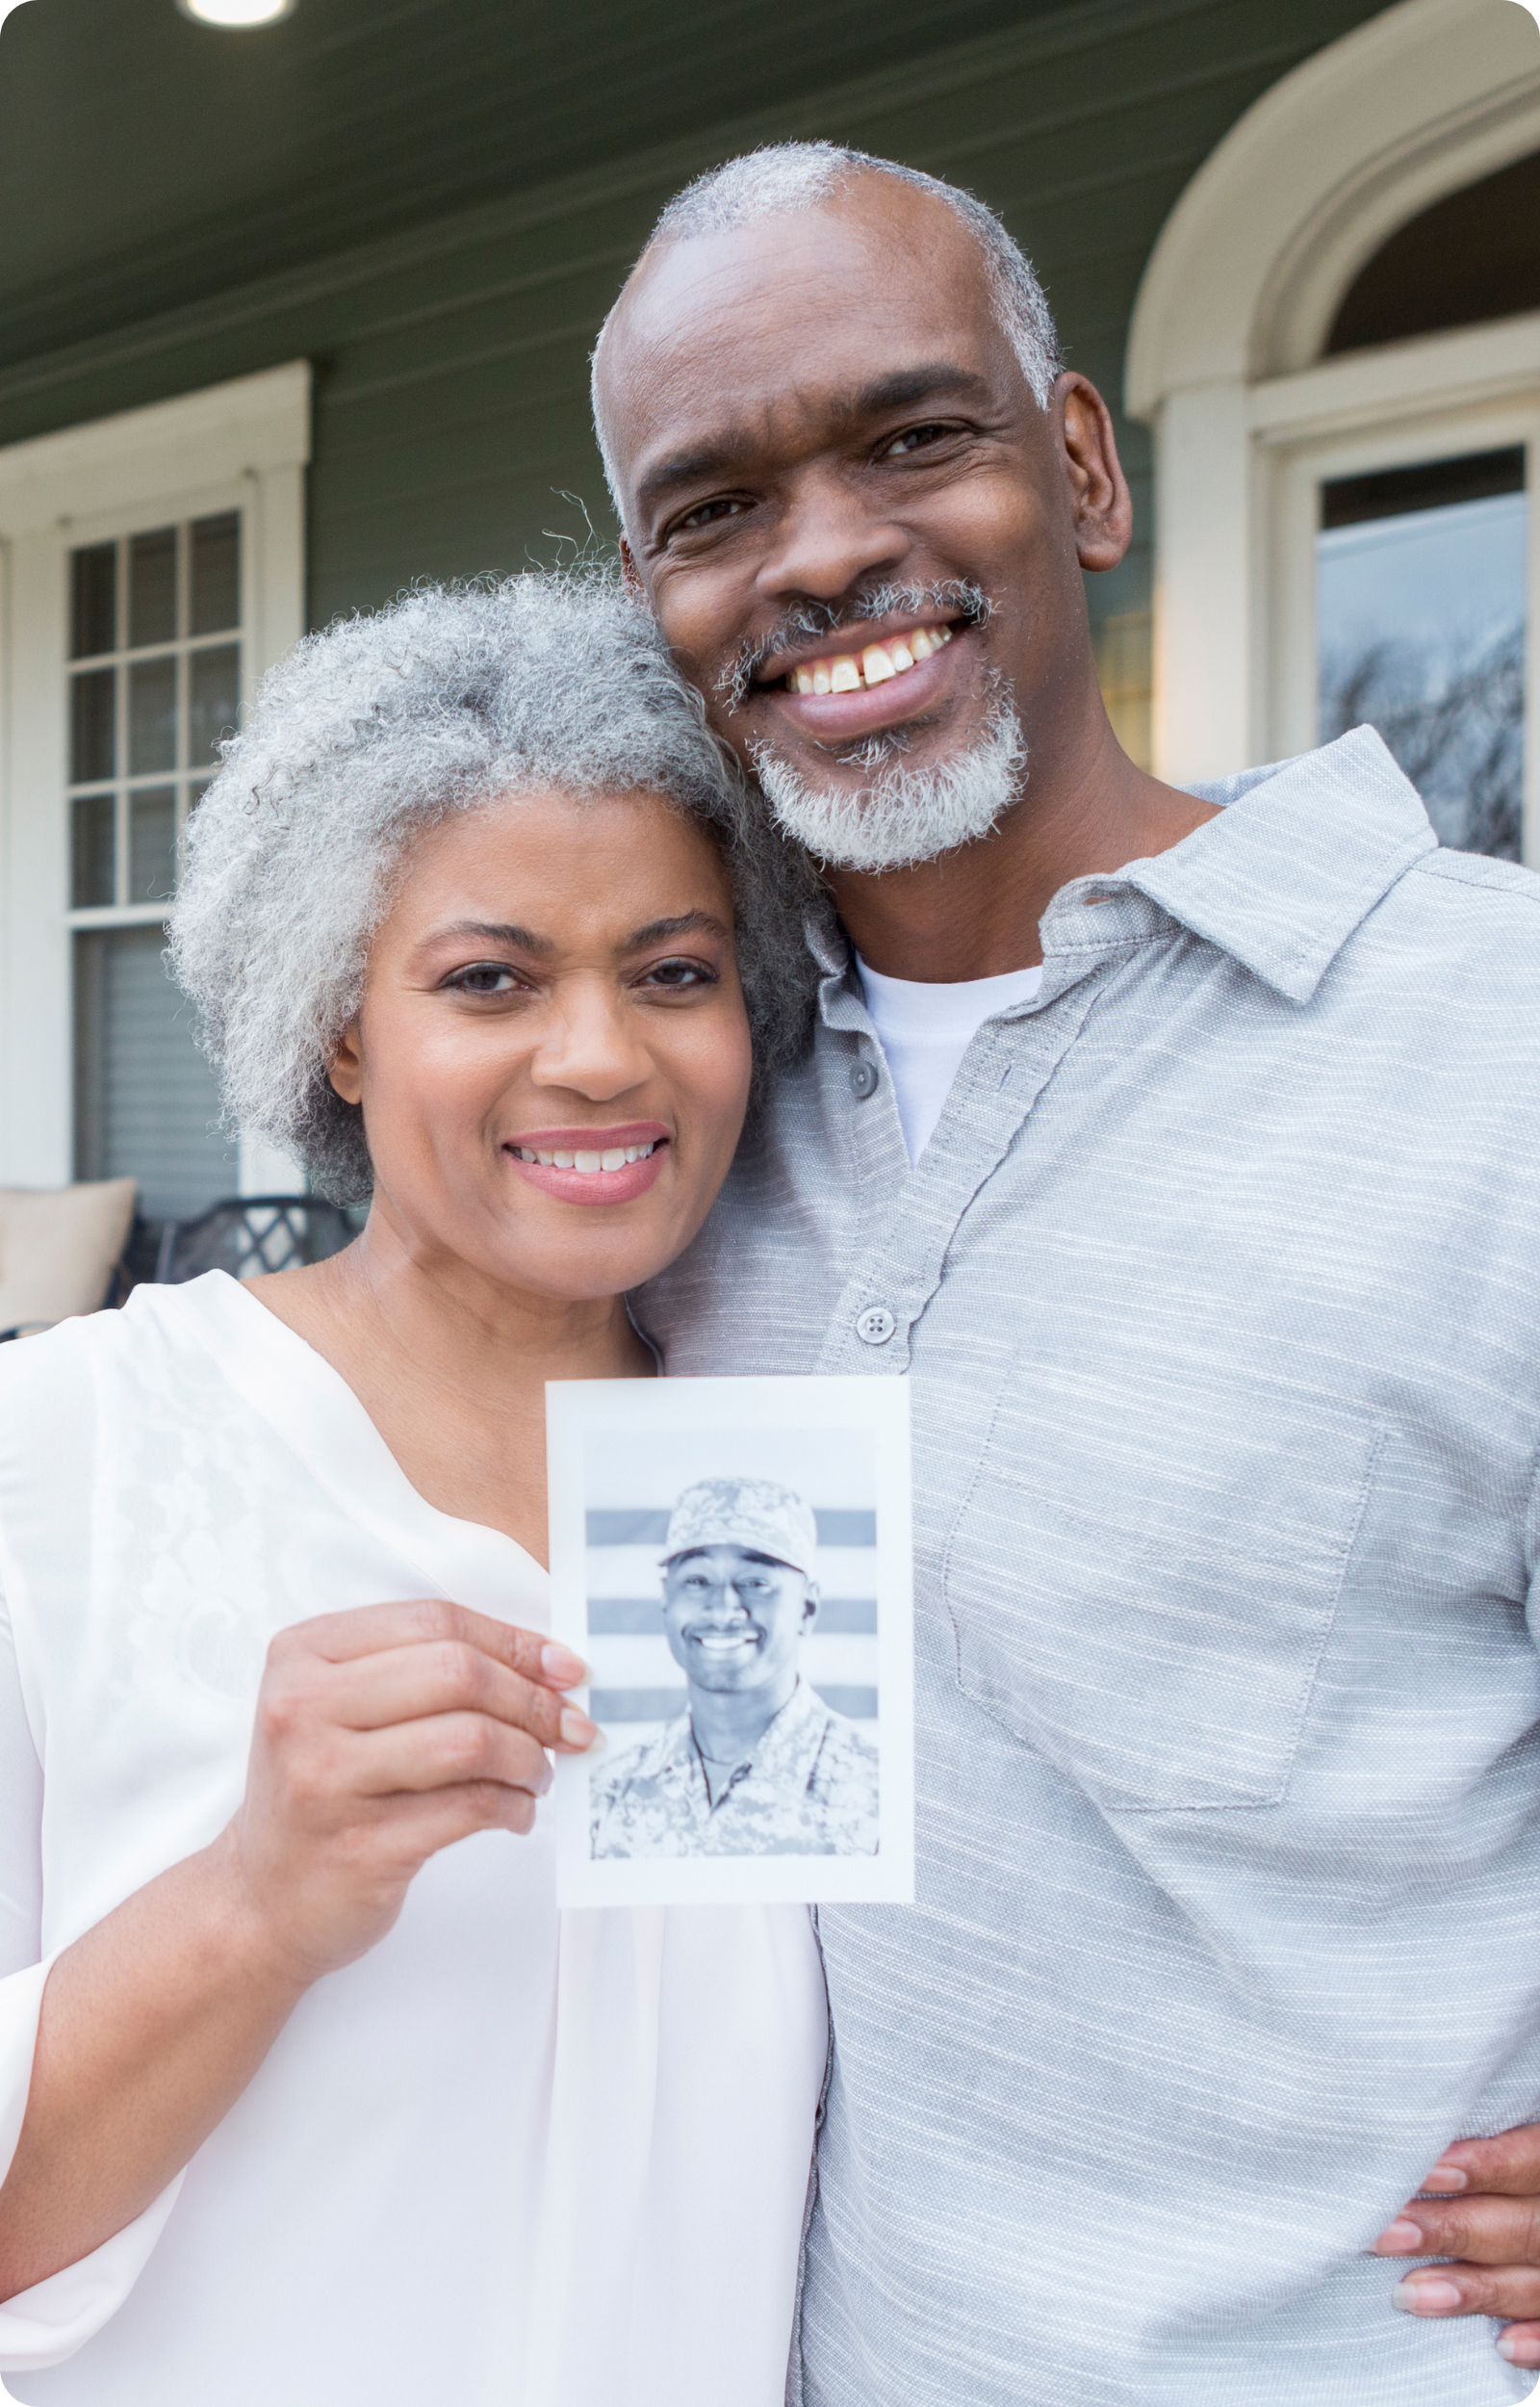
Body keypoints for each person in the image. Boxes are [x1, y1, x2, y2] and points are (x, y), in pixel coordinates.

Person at [589, 142, 1540, 2401]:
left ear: (1084, 468)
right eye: (709, 508)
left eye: (911, 437)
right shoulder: (666, 1122)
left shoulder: (1492, 1044)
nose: (819, 555)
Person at [0, 574, 829, 2406]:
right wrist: (253, 1900)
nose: (602, 1052)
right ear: (343, 1025)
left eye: (675, 971)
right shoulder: (69, 1456)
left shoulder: (798, 1492)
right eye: (489, 978)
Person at [591, 1475, 879, 1857]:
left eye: (755, 1581)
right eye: (696, 1580)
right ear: (666, 1600)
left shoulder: (876, 1793)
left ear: (806, 1609)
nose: (724, 1608)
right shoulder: (609, 1792)